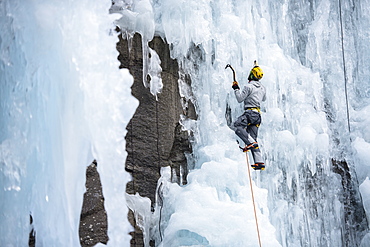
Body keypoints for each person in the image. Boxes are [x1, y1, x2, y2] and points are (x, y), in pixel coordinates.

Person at [232, 61, 266, 170]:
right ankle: (259, 162)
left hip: (250, 113)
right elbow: (264, 99)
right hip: (257, 116)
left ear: (251, 75)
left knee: (237, 126)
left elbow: (239, 99)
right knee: (253, 138)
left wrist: (236, 88)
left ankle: (250, 143)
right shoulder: (262, 88)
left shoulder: (248, 86)